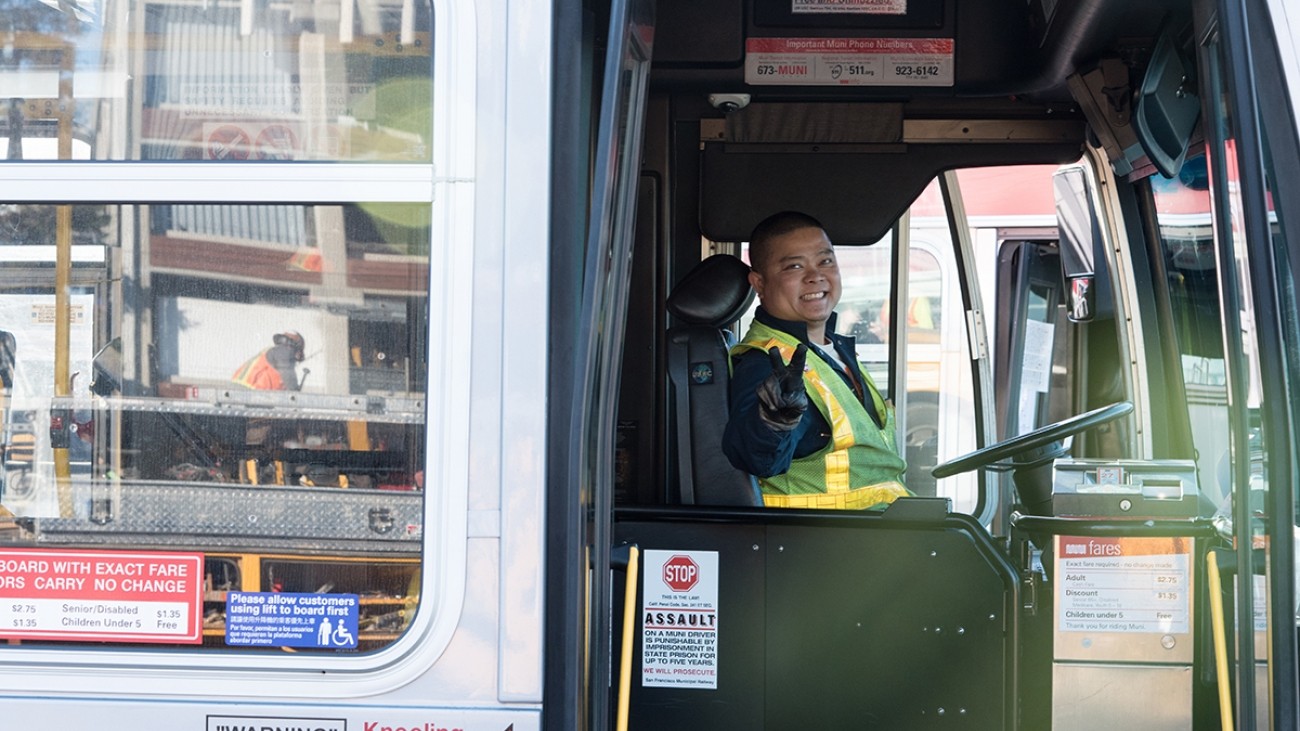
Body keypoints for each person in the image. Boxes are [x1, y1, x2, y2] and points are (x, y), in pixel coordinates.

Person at [722, 211, 909, 509]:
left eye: (825, 261)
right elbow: (757, 458)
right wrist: (772, 422)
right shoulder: (769, 362)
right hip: (819, 543)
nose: (816, 276)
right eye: (794, 266)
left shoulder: (832, 349)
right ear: (759, 283)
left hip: (876, 535)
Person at [231, 331, 305, 391]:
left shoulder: (275, 351)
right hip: (249, 390)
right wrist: (295, 391)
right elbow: (287, 374)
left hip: (245, 388)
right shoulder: (284, 351)